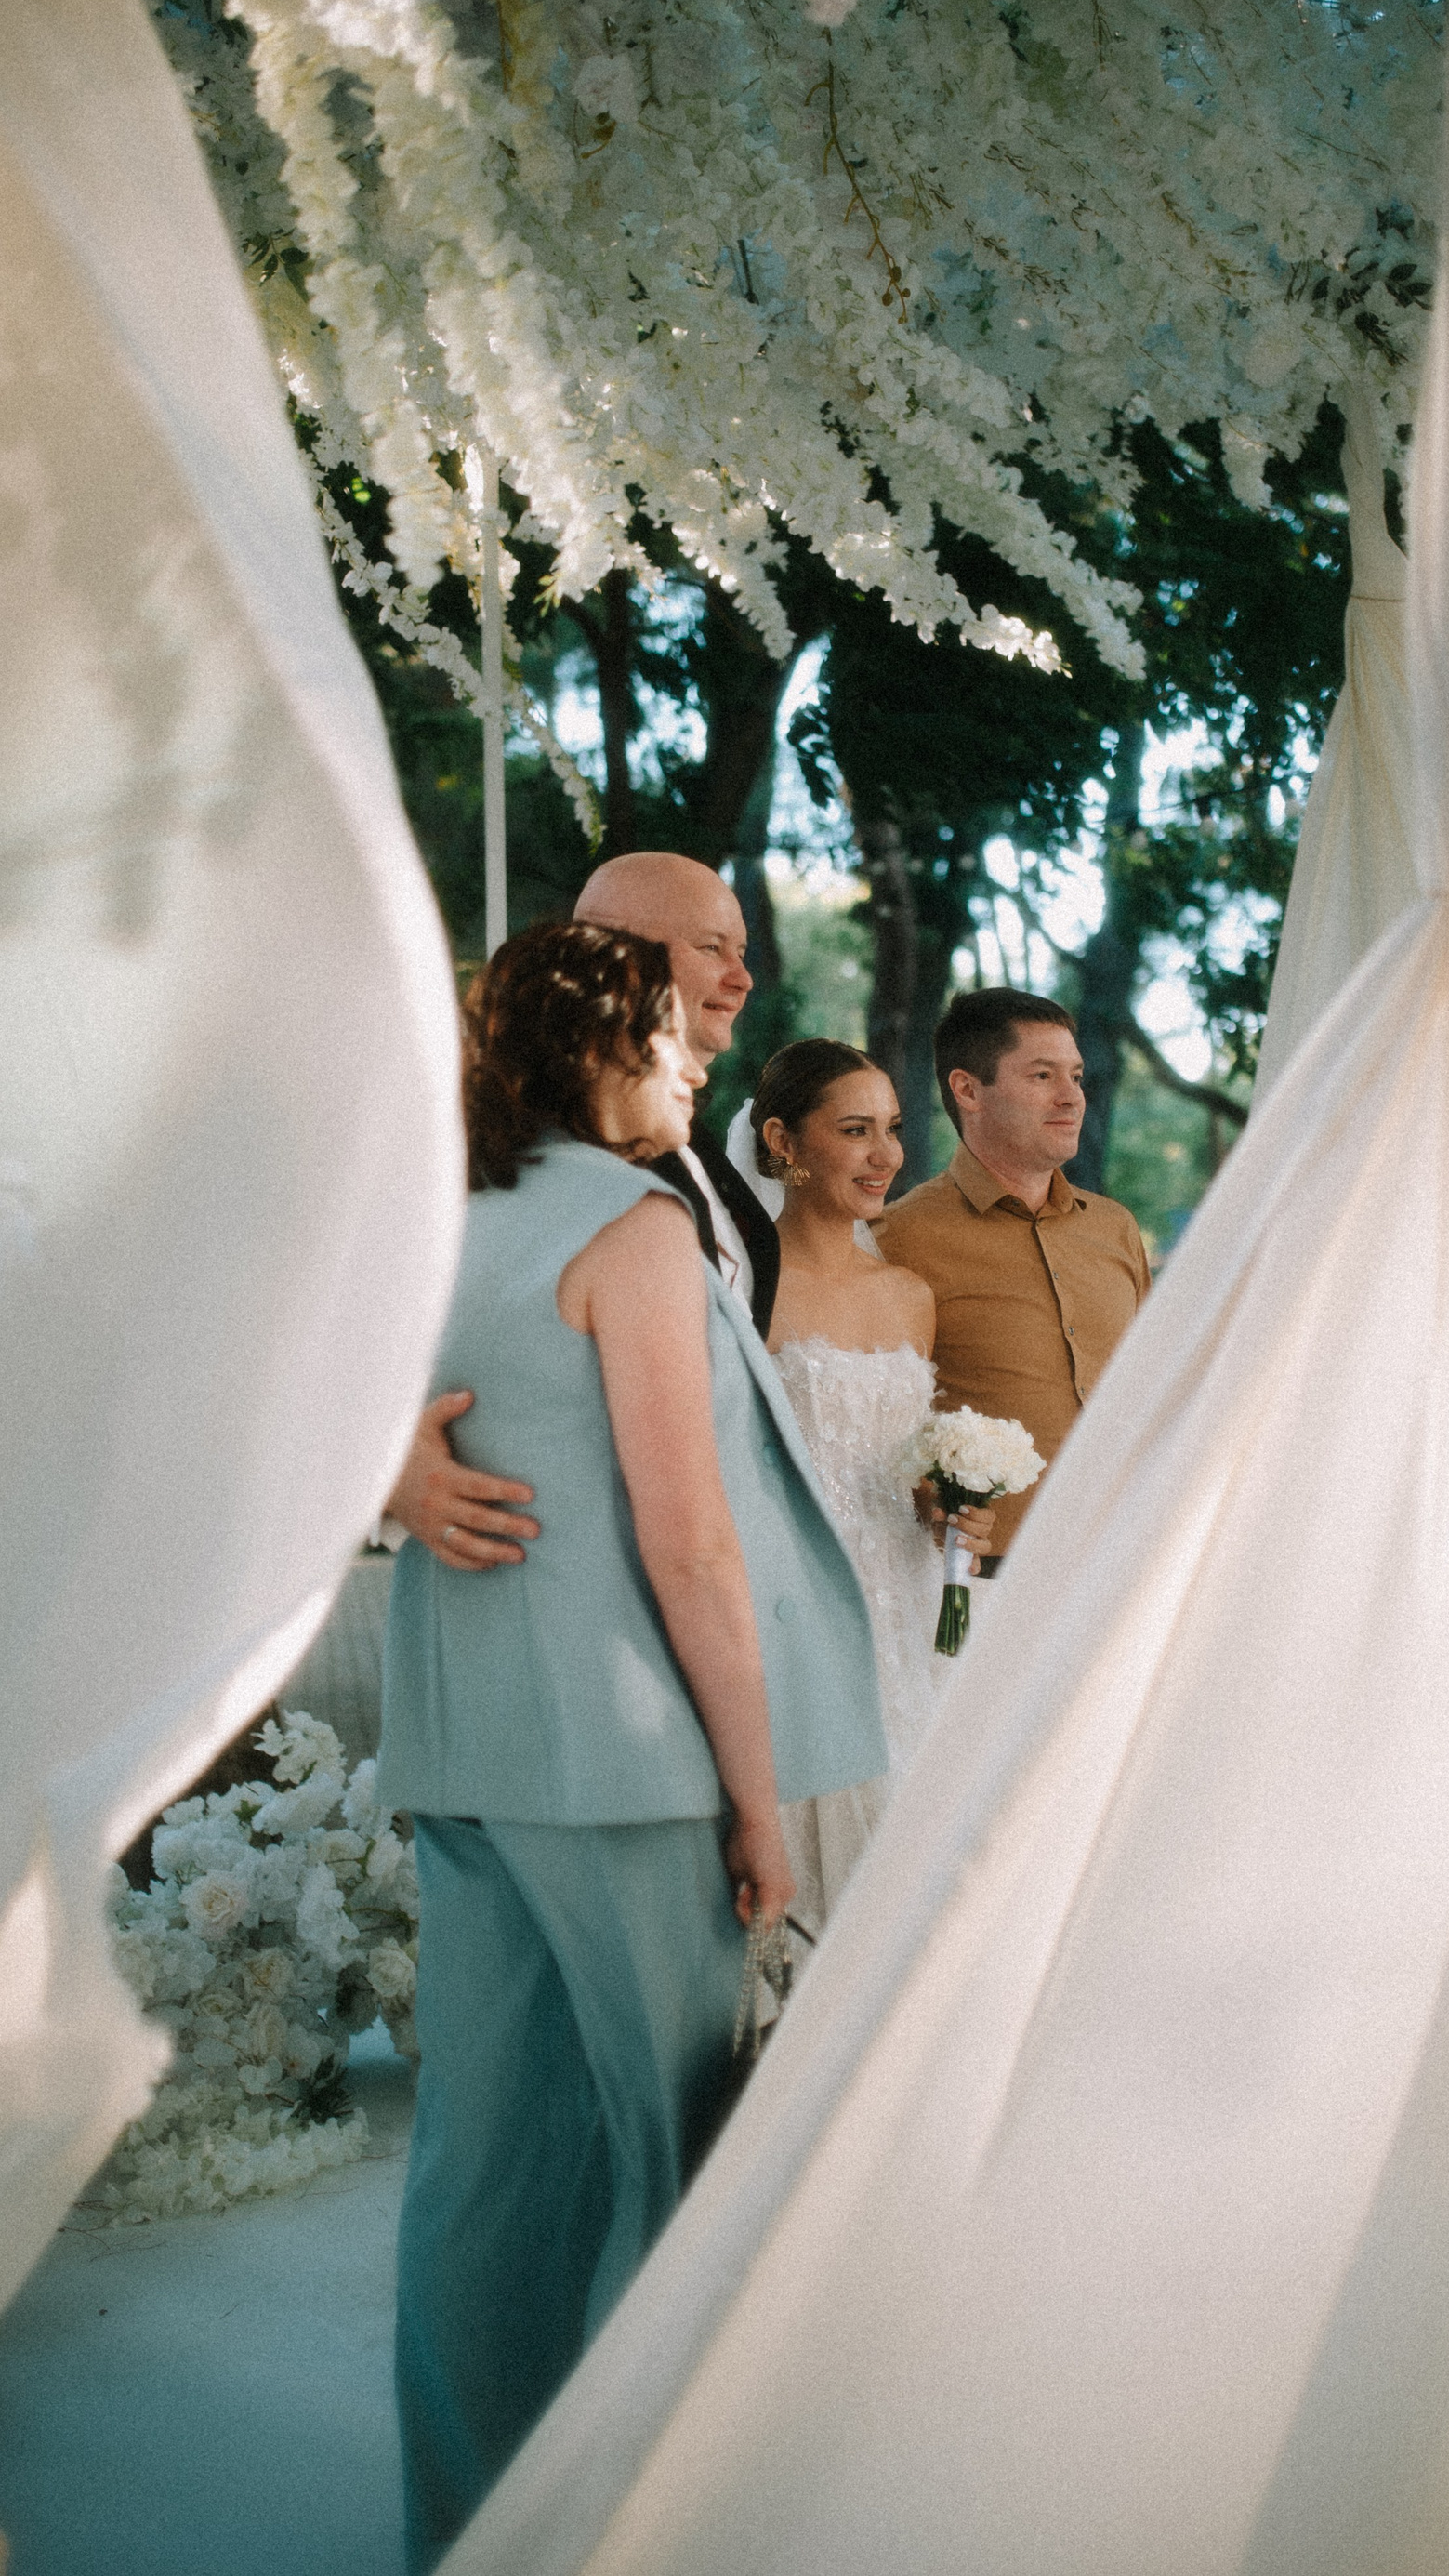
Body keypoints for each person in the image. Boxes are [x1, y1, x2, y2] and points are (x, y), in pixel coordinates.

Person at [379, 924, 884, 2572]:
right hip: (629, 1761)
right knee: (689, 2171)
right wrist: (759, 1798)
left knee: (482, 2184)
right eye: (674, 1035)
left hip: (465, 1754)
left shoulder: (433, 1217)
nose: (700, 1060)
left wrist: (387, 1469)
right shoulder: (634, 1226)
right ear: (607, 1051)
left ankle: (465, 2537)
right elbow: (693, 1547)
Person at [385, 851, 778, 1568]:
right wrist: (387, 1465)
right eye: (712, 947)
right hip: (549, 1570)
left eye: (743, 952)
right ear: (613, 950)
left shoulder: (711, 1162)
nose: (742, 978)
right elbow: (343, 1326)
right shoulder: (475, 1151)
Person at [750, 1041, 995, 1923]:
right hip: (797, 1602)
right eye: (855, 1130)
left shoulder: (909, 1294)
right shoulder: (745, 1288)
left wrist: (947, 1507)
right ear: (783, 1142)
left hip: (909, 1602)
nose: (886, 1153)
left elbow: (904, 1459)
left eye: (891, 1129)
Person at [875, 987, 1151, 1569]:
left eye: (1076, 1076)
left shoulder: (1117, 1229)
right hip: (982, 1579)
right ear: (968, 1090)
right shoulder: (897, 1240)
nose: (1071, 1097)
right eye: (1042, 1076)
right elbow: (874, 1431)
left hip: (1125, 1561)